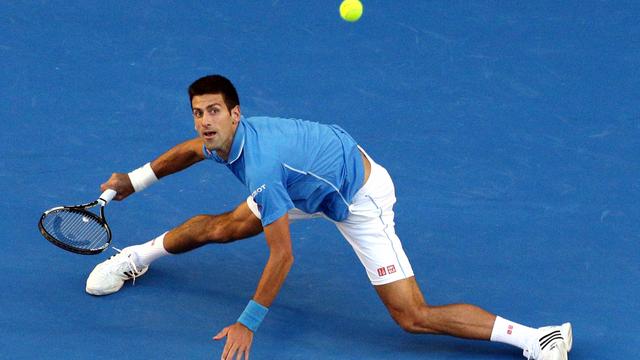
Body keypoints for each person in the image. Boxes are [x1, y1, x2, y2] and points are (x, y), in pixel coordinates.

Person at [86, 75, 573, 360]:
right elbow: (189, 153)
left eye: (214, 111)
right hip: (307, 180)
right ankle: (135, 255)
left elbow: (282, 256)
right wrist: (136, 178)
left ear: (237, 114)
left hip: (357, 195)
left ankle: (536, 338)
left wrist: (248, 323)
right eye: (198, 112)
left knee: (411, 316)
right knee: (224, 226)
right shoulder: (224, 141)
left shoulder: (260, 166)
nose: (205, 122)